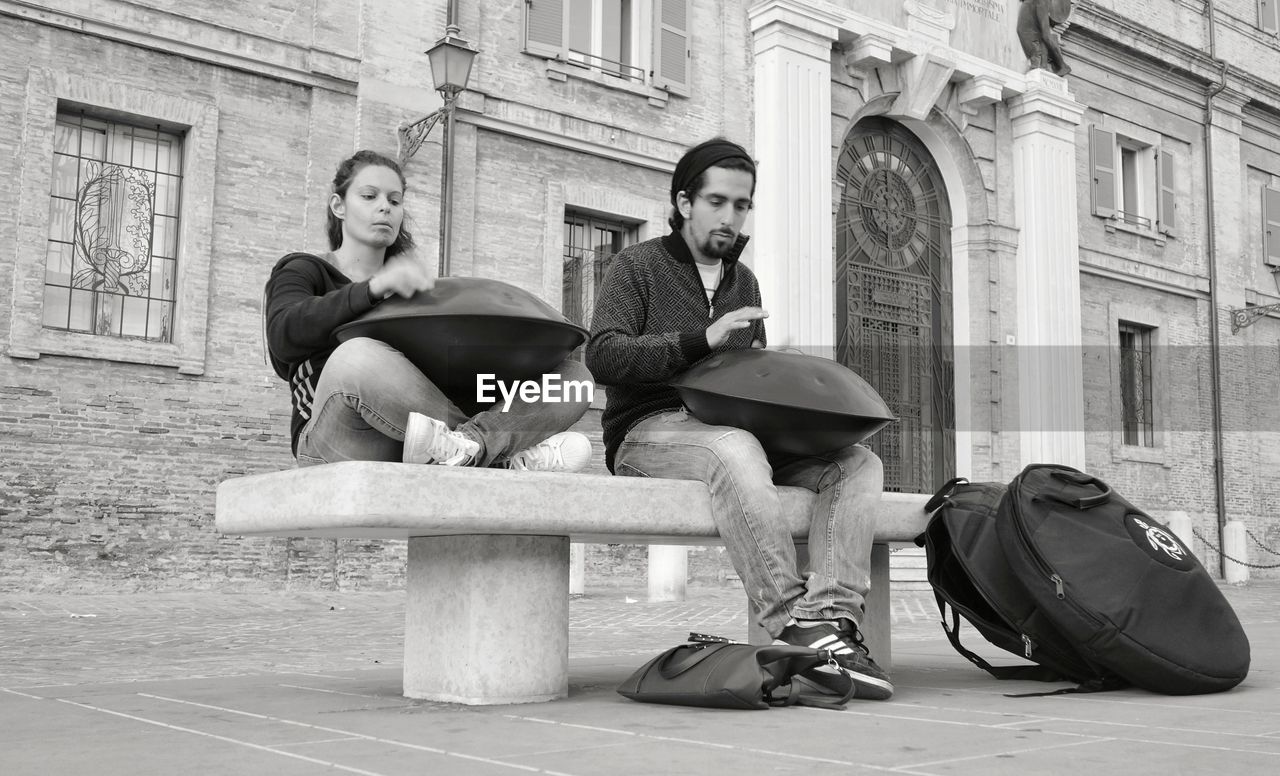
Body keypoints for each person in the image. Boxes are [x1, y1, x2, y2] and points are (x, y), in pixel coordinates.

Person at [585, 138, 892, 700]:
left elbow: (747, 379)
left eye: (742, 205)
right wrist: (699, 340)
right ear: (684, 203)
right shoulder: (636, 265)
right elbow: (603, 356)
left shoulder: (743, 281)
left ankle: (834, 624)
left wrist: (781, 371)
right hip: (648, 433)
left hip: (738, 433)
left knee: (856, 463)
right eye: (718, 202)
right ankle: (793, 626)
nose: (731, 217)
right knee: (733, 447)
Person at [265, 149, 593, 471]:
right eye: (369, 196)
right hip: (337, 434)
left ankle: (470, 446)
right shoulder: (304, 270)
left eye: (394, 200)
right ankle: (496, 455)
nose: (384, 207)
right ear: (339, 206)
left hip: (421, 440)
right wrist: (371, 290)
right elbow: (283, 337)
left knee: (574, 377)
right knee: (357, 357)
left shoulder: (415, 289)